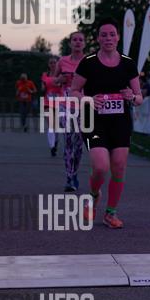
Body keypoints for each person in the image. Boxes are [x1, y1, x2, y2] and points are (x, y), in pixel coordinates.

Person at [71, 23, 142, 229]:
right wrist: (89, 99)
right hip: (93, 121)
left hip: (120, 122)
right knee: (101, 167)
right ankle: (94, 195)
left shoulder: (128, 63)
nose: (108, 38)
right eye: (104, 35)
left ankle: (110, 213)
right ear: (98, 39)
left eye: (112, 34)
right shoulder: (88, 62)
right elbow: (74, 91)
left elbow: (139, 98)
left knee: (119, 166)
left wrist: (131, 96)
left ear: (118, 37)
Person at [54, 31, 86, 192]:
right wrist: (59, 80)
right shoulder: (62, 61)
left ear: (84, 43)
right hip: (65, 104)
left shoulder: (90, 62)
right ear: (70, 43)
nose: (78, 42)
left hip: (83, 106)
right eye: (75, 40)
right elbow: (54, 80)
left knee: (78, 144)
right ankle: (69, 176)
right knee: (68, 140)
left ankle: (75, 173)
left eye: (81, 40)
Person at [41, 56, 62, 157]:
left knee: (56, 126)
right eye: (51, 63)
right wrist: (43, 87)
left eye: (54, 62)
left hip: (59, 103)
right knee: (51, 125)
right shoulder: (45, 75)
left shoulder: (61, 75)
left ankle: (55, 142)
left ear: (57, 64)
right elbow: (42, 87)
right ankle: (52, 147)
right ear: (48, 65)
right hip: (47, 102)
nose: (53, 64)